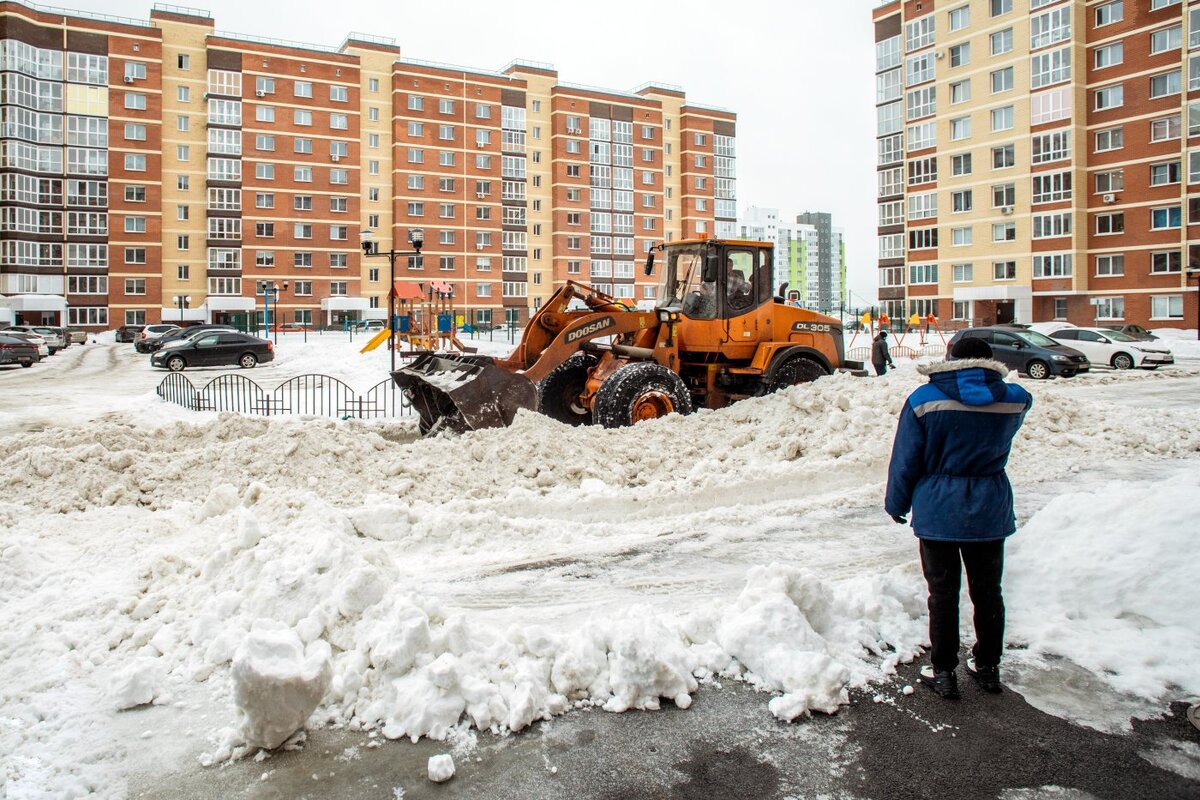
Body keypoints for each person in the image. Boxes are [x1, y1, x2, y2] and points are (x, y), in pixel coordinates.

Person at [885, 337, 1033, 699]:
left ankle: (944, 673)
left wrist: (896, 503)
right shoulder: (1014, 399)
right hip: (989, 506)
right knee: (988, 591)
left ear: (950, 357)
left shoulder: (923, 401)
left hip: (939, 509)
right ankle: (988, 667)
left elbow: (907, 460)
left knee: (943, 593)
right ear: (989, 360)